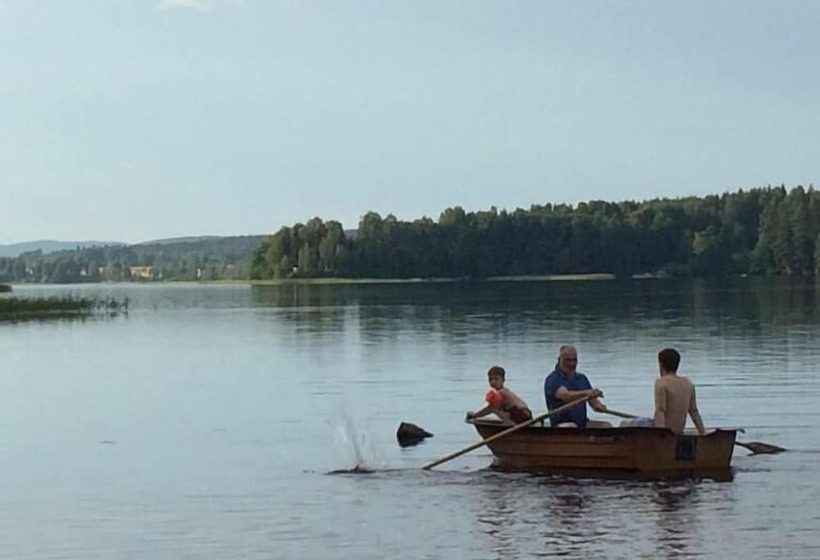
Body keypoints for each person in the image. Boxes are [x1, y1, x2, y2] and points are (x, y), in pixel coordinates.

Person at [620, 348, 706, 434]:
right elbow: (694, 411)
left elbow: (660, 411)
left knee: (624, 423)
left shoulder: (661, 383)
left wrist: (661, 435)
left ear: (661, 365)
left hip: (664, 430)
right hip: (678, 429)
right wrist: (703, 433)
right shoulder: (688, 383)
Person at [543, 345, 611, 428]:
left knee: (606, 426)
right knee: (571, 426)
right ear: (559, 360)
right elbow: (566, 396)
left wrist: (599, 406)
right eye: (568, 360)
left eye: (574, 360)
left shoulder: (582, 378)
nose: (572, 363)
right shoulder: (553, 379)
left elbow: (593, 402)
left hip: (583, 423)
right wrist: (588, 393)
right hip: (561, 425)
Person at [466, 366, 533, 425]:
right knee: (497, 408)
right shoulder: (501, 391)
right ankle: (509, 423)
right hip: (523, 415)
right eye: (491, 379)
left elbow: (490, 408)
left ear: (503, 380)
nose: (493, 382)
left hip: (523, 415)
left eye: (496, 379)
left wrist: (475, 415)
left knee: (493, 408)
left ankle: (510, 425)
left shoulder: (501, 392)